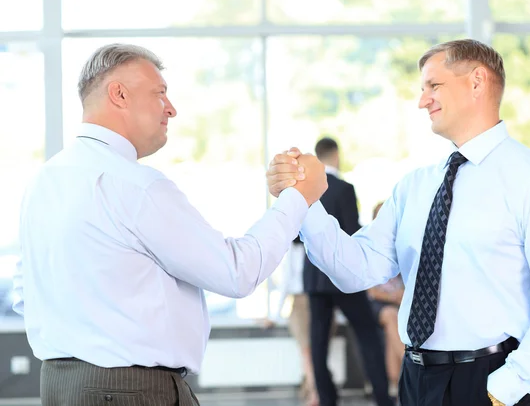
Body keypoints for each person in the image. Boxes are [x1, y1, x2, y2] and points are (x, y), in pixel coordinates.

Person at [266, 39, 530, 406]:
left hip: (488, 380)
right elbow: (354, 269)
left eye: (433, 86)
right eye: (422, 89)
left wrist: (504, 389)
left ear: (477, 82)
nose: (423, 100)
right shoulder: (416, 186)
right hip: (416, 379)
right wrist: (306, 202)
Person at [13, 43, 327, 406]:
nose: (171, 108)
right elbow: (237, 272)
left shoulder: (44, 181)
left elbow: (25, 292)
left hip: (60, 386)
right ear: (118, 94)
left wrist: (91, 327)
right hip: (131, 391)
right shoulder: (135, 185)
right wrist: (299, 197)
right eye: (159, 93)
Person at [301, 138, 393, 406]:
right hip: (341, 277)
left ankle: (328, 400)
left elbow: (296, 238)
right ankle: (382, 397)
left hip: (314, 279)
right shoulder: (343, 188)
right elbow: (352, 231)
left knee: (318, 343)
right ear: (336, 156)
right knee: (367, 335)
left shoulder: (303, 190)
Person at [262, 237, 320, 406]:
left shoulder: (307, 248)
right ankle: (314, 391)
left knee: (311, 352)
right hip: (307, 302)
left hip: (311, 301)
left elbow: (285, 284)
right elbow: (285, 283)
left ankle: (314, 391)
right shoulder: (299, 250)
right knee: (310, 351)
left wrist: (274, 316)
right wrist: (274, 316)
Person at [366, 202, 405, 390]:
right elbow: (372, 291)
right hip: (379, 303)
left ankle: (396, 383)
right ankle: (408, 368)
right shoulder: (370, 246)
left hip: (401, 301)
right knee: (391, 315)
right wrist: (395, 297)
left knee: (393, 329)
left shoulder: (402, 242)